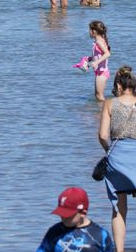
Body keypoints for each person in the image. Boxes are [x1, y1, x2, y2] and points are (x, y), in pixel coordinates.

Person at [100, 66, 136, 252]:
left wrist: (110, 151)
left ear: (119, 86)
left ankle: (119, 250)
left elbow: (103, 135)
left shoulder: (109, 104)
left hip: (118, 158)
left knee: (119, 208)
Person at [36, 187, 114, 252]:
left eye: (67, 215)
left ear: (83, 213)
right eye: (61, 213)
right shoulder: (54, 232)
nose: (63, 217)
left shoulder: (100, 235)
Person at [75, 21, 112, 102]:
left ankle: (106, 111)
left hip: (102, 72)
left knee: (100, 96)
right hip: (100, 72)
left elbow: (107, 54)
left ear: (93, 31)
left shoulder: (99, 42)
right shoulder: (99, 41)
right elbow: (100, 55)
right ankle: (98, 113)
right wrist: (90, 58)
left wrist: (96, 62)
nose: (88, 32)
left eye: (89, 30)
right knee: (97, 95)